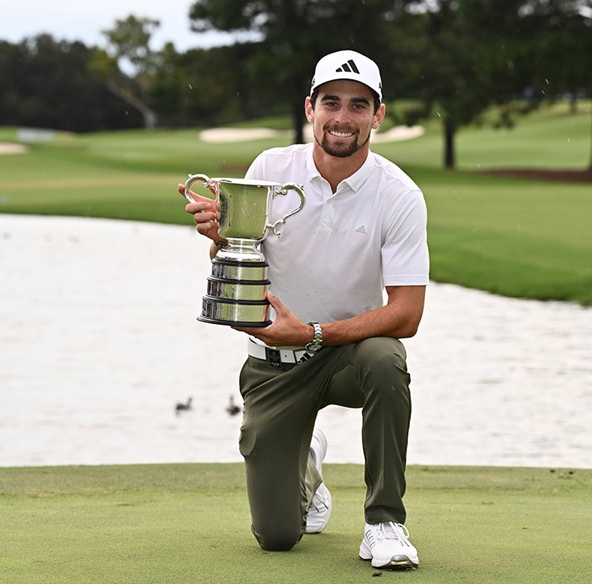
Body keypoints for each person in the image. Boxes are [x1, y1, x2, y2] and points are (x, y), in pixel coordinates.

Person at [179, 49, 429, 570]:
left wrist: (313, 332)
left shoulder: (399, 195)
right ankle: (307, 465)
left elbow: (406, 314)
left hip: (347, 357)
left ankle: (385, 523)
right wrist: (223, 237)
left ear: (378, 116)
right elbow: (236, 261)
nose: (343, 118)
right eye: (331, 102)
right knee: (276, 537)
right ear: (310, 108)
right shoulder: (271, 168)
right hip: (272, 366)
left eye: (359, 106)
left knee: (387, 359)